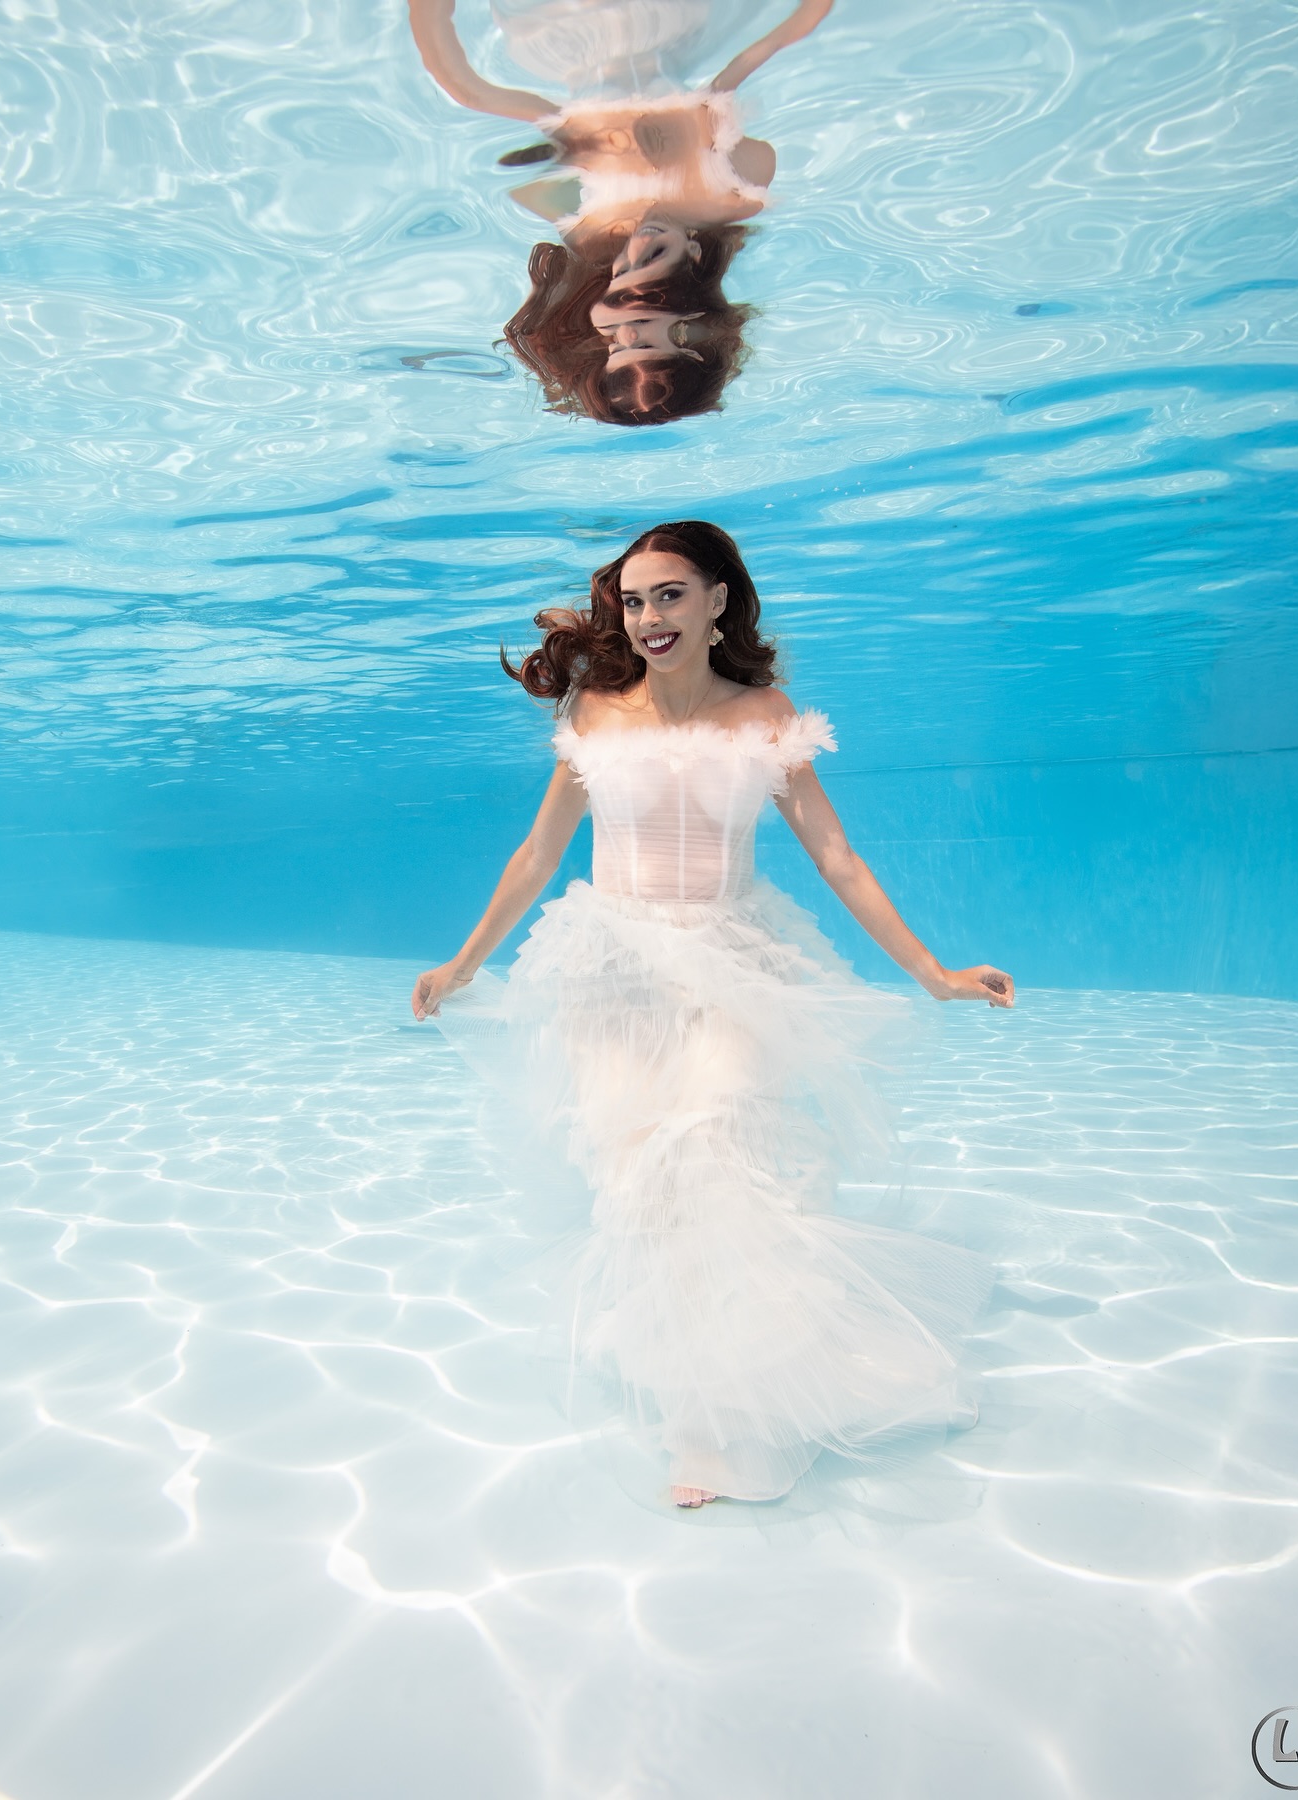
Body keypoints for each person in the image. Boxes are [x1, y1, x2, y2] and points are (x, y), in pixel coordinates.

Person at [412, 520, 1013, 1509]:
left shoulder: (764, 715)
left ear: (717, 602)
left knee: (725, 1154)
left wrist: (933, 972)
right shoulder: (596, 714)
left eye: (671, 595)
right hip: (611, 972)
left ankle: (739, 1417)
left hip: (732, 960)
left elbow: (836, 857)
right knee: (648, 1188)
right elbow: (538, 855)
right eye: (633, 601)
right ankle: (698, 1400)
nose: (649, 618)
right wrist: (465, 962)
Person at [405, 1, 835, 422]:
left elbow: (471, 94)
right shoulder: (728, 193)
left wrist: (576, 151)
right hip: (677, 21)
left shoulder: (587, 223)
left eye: (614, 344)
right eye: (644, 340)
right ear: (691, 328)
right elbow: (761, 55)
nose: (625, 331)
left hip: (558, 33)